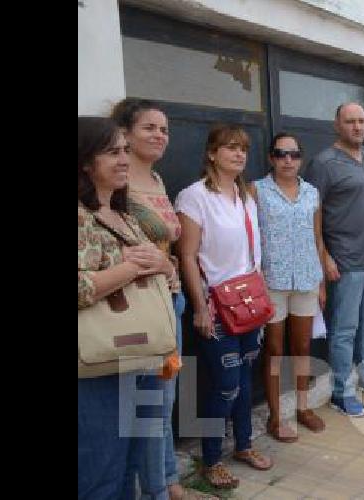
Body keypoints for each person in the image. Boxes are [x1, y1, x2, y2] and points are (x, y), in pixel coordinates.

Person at [110, 99, 212, 500]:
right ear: (125, 133)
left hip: (169, 303)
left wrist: (171, 273)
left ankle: (168, 480)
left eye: (165, 129)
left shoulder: (157, 180)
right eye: (149, 128)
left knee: (165, 396)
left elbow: (167, 243)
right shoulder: (116, 185)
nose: (160, 136)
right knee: (145, 403)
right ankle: (155, 488)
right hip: (135, 309)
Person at [79, 116, 176, 498]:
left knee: (127, 465)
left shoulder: (123, 213)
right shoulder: (82, 216)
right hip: (97, 364)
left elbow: (157, 266)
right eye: (112, 152)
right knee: (99, 469)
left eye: (123, 151)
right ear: (85, 161)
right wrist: (130, 266)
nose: (123, 160)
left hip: (140, 351)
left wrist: (163, 265)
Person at [176, 124, 273, 489]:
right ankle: (211, 459)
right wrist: (200, 307)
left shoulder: (246, 195)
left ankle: (244, 445)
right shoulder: (194, 197)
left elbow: (253, 253)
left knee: (245, 381)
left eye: (243, 148)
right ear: (212, 153)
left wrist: (261, 292)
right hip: (216, 306)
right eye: (230, 147)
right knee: (225, 385)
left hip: (249, 304)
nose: (238, 154)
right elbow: (186, 256)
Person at [303, 102, 364, 418]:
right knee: (344, 328)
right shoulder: (323, 163)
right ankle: (341, 391)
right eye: (350, 122)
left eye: (362, 121)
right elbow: (312, 214)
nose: (357, 127)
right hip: (345, 260)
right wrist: (324, 257)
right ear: (337, 125)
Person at [252, 132, 328, 441]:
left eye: (294, 154)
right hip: (271, 282)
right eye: (281, 154)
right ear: (271, 157)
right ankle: (274, 416)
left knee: (303, 347)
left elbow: (318, 238)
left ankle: (302, 407)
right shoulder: (256, 191)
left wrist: (321, 281)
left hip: (307, 278)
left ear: (301, 158)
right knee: (273, 349)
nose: (288, 160)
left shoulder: (312, 193)